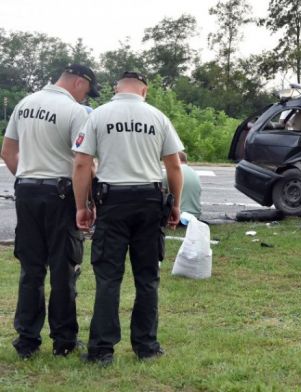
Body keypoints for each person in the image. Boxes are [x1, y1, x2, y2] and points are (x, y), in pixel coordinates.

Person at [72, 71, 184, 365]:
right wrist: (175, 204)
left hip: (113, 202)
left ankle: (101, 350)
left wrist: (82, 206)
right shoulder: (157, 117)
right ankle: (146, 346)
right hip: (150, 201)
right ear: (144, 90)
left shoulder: (98, 115)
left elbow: (83, 162)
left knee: (108, 277)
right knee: (147, 277)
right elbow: (174, 165)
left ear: (116, 88)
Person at [0, 63, 99, 359]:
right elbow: (83, 163)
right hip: (60, 194)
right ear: (79, 82)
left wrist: (27, 178)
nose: (85, 98)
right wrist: (87, 203)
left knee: (31, 269)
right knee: (63, 267)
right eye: (86, 92)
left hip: (27, 189)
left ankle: (27, 339)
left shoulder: (25, 104)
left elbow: (7, 151)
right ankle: (64, 339)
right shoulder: (75, 112)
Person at [163, 151, 202, 220]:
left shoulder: (169, 173)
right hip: (195, 215)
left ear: (175, 159)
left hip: (177, 215)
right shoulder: (194, 173)